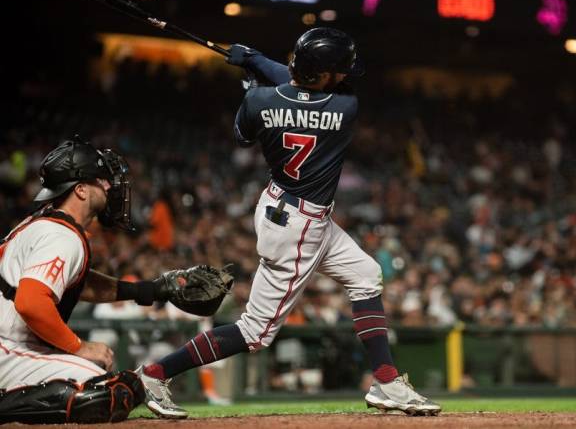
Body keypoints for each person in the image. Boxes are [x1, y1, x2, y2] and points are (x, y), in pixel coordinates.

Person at [136, 27, 441, 418]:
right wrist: (258, 63)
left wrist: (252, 70)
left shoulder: (259, 100)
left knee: (365, 274)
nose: (346, 75)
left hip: (284, 206)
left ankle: (387, 382)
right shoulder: (345, 105)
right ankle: (155, 374)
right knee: (254, 332)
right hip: (300, 229)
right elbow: (298, 86)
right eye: (339, 69)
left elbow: (247, 128)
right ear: (326, 73)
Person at [0, 137, 213, 424]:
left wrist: (148, 289)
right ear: (80, 190)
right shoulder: (62, 236)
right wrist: (79, 347)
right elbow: (30, 302)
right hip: (7, 348)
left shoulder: (47, 224)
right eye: (101, 180)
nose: (110, 186)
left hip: (11, 345)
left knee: (106, 384)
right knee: (106, 390)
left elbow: (78, 283)